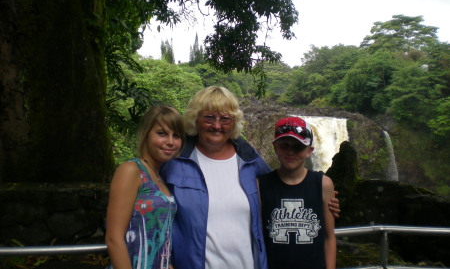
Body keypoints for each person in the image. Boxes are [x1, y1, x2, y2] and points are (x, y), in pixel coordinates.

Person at [160, 86, 340, 269]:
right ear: (195, 119)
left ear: (234, 122)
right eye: (208, 117)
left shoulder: (251, 162)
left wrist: (326, 201)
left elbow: (284, 189)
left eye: (224, 119)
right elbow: (152, 212)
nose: (216, 125)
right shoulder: (173, 164)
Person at [105, 104, 186, 269]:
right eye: (162, 133)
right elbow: (114, 238)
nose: (170, 142)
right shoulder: (131, 171)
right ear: (146, 134)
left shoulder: (160, 178)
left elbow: (162, 239)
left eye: (176, 135)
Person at [258, 117, 337, 269]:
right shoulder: (261, 185)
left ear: (309, 151)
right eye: (285, 145)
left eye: (298, 147)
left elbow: (329, 237)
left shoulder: (323, 184)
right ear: (275, 147)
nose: (291, 151)